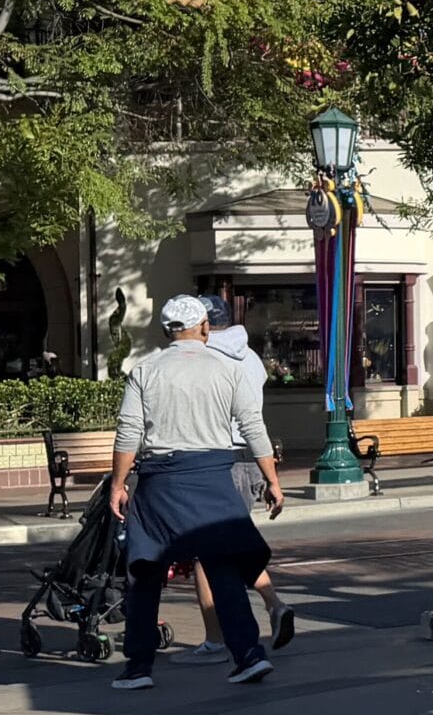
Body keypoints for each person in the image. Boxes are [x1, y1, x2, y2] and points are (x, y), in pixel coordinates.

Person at [107, 295, 285, 691]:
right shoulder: (227, 369)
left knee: (145, 570)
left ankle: (138, 667)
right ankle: (248, 655)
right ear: (204, 327)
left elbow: (128, 433)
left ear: (166, 330)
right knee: (222, 567)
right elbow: (253, 428)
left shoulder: (145, 370)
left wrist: (118, 486)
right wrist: (271, 479)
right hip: (212, 477)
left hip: (160, 480)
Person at [170, 294, 295, 663]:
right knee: (230, 547)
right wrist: (271, 475)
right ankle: (274, 604)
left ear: (203, 324)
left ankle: (215, 640)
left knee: (205, 555)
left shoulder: (205, 358)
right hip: (249, 461)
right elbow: (253, 421)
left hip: (216, 461)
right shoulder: (251, 357)